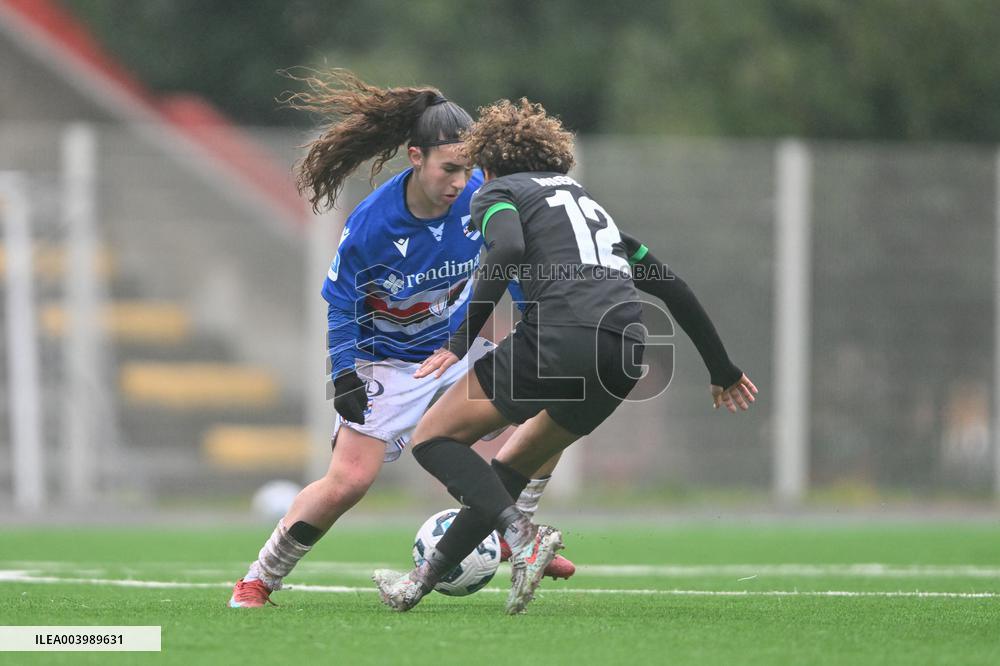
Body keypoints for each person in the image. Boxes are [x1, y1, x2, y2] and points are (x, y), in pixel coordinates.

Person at [374, 98, 758, 614]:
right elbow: (671, 285)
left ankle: (522, 536)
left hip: (563, 336)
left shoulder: (498, 192)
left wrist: (459, 341)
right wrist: (722, 369)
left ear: (487, 163)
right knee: (508, 469)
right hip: (626, 351)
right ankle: (418, 584)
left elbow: (506, 248)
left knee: (433, 438)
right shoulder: (583, 202)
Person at [228, 72, 573, 609]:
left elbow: (515, 263)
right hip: (384, 364)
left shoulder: (482, 199)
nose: (461, 182)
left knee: (551, 410)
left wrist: (531, 323)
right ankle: (258, 579)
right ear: (416, 156)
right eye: (449, 169)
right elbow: (342, 302)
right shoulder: (372, 225)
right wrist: (343, 372)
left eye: (469, 169)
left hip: (452, 352)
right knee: (348, 482)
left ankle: (516, 535)